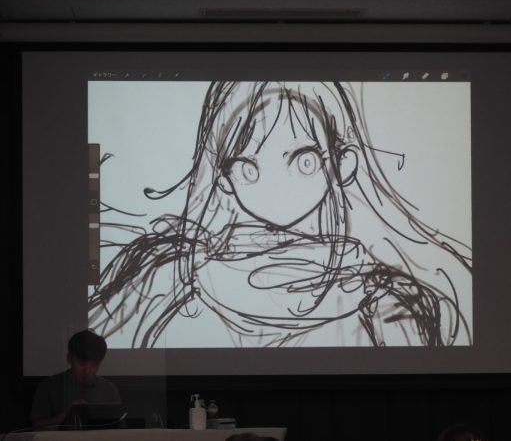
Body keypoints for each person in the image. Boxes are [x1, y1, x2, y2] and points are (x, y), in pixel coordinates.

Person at [89, 81, 472, 348]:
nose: (275, 187)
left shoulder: (385, 303)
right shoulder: (171, 282)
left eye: (304, 161)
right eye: (248, 167)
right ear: (225, 179)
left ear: (343, 164)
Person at [29, 329, 121, 431]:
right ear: (69, 358)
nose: (87, 371)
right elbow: (37, 428)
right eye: (81, 364)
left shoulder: (109, 390)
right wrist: (66, 416)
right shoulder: (49, 387)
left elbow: (119, 428)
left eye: (94, 365)